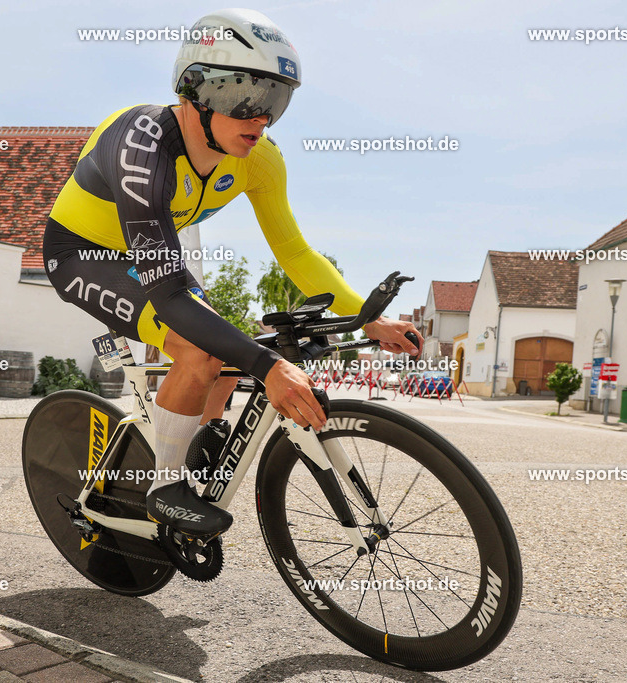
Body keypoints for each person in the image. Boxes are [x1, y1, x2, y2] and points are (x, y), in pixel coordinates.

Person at [42, 9, 422, 536]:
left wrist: (365, 318)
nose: (260, 119)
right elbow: (171, 294)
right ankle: (165, 487)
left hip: (157, 260)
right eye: (246, 97)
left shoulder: (259, 160)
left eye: (276, 102)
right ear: (195, 91)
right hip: (86, 254)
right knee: (201, 348)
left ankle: (200, 434)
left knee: (225, 349)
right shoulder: (141, 145)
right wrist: (269, 369)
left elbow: (295, 252)